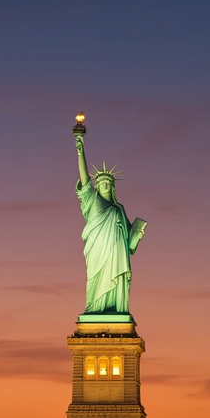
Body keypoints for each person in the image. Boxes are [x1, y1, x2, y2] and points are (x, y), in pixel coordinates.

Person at [74, 134, 146, 313]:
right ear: (96, 186)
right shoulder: (91, 201)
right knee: (96, 282)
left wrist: (137, 235)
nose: (104, 183)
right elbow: (84, 180)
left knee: (115, 279)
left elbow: (129, 246)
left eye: (108, 181)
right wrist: (80, 151)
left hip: (117, 255)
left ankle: (115, 308)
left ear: (113, 186)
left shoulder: (119, 209)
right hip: (97, 252)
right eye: (101, 182)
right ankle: (95, 309)